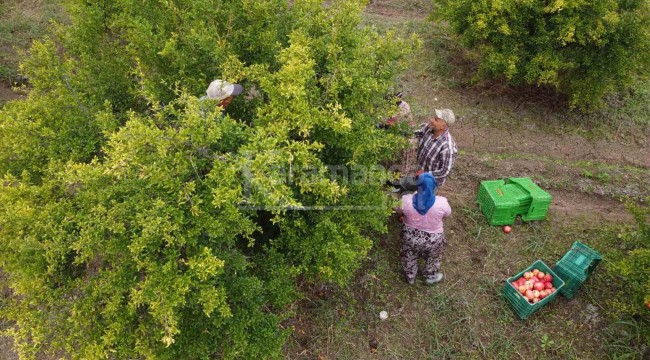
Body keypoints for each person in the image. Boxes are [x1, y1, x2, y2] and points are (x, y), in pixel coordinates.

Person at [396, 173, 451, 285]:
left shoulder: (406, 201)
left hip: (410, 237)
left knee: (409, 255)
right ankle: (430, 277)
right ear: (434, 187)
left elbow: (397, 209)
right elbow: (447, 214)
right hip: (434, 239)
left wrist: (404, 215)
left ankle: (410, 277)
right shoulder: (442, 203)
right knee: (434, 256)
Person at [392, 108, 457, 192]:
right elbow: (410, 131)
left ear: (443, 126)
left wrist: (425, 174)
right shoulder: (427, 128)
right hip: (418, 173)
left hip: (430, 182)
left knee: (420, 201)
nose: (431, 120)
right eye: (433, 117)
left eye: (436, 119)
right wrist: (396, 126)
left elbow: (444, 171)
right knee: (403, 188)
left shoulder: (448, 147)